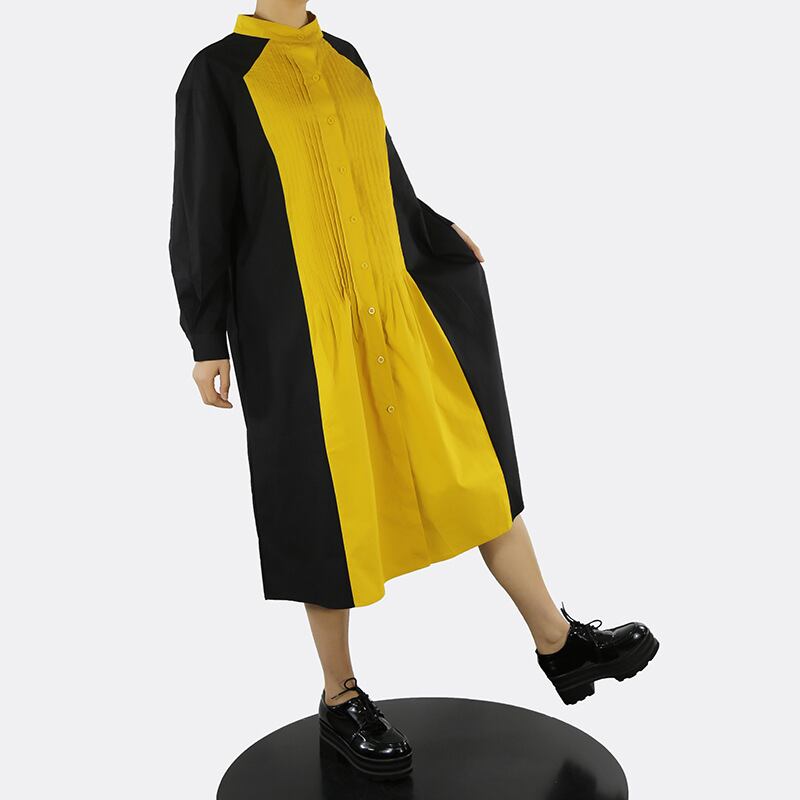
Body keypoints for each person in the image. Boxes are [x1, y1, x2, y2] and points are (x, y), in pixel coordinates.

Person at [168, 1, 658, 779]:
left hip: (395, 313)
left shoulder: (347, 58)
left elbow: (385, 179)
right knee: (325, 509)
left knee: (473, 468)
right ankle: (341, 697)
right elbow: (201, 209)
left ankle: (560, 645)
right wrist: (205, 337)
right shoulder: (217, 76)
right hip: (302, 331)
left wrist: (433, 230)